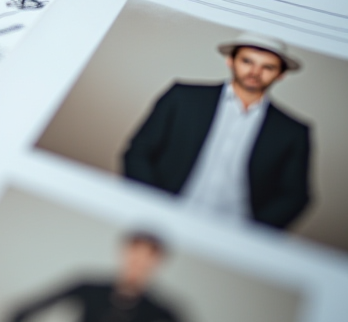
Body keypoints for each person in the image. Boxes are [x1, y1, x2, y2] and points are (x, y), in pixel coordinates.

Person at [122, 33, 310, 228]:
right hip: (166, 215)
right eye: (247, 61)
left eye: (268, 67)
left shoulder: (292, 131)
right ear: (231, 61)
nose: (255, 72)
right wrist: (151, 206)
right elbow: (139, 152)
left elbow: (295, 195)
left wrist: (255, 232)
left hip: (236, 231)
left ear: (281, 74)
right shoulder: (183, 97)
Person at [0, 232, 208, 322]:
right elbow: (19, 312)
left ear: (157, 263)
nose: (137, 268)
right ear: (123, 254)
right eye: (134, 259)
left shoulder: (160, 309)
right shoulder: (89, 287)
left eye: (145, 263)